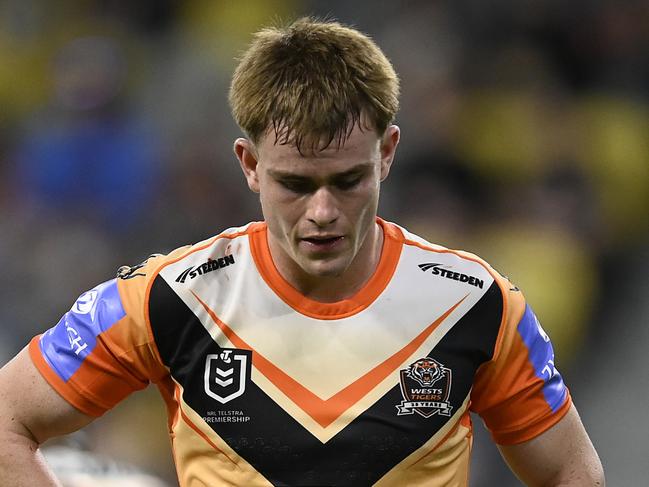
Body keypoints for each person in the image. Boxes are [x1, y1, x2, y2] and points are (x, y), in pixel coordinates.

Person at [0, 17, 604, 487]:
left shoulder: (476, 305)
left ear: (387, 153)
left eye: (347, 181)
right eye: (295, 184)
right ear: (250, 165)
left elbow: (569, 470)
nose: (321, 212)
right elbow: (7, 423)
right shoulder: (170, 297)